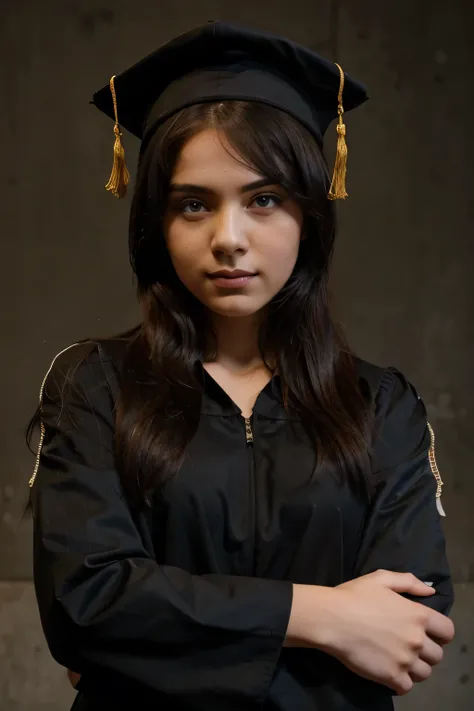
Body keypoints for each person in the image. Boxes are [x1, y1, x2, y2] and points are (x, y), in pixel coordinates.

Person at [29, 20, 455, 711]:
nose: (228, 238)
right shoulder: (96, 386)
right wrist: (323, 617)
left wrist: (152, 642)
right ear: (156, 225)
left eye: (264, 200)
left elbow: (411, 631)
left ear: (309, 215)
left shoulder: (378, 404)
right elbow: (86, 606)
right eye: (193, 204)